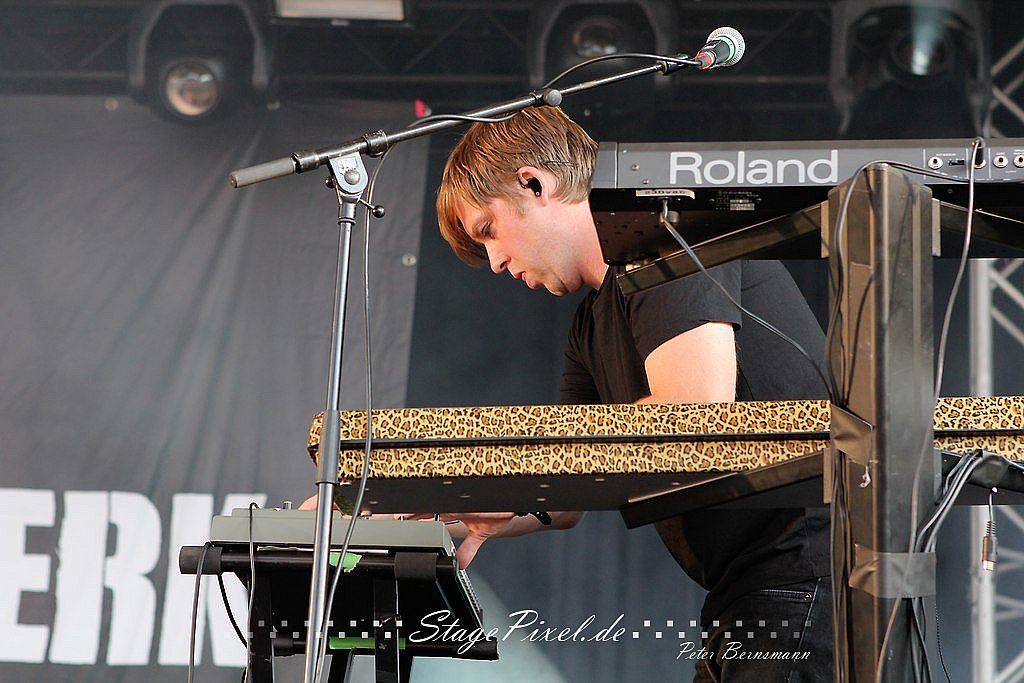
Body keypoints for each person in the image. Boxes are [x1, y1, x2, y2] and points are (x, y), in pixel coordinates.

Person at [429, 105, 834, 682]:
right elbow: (562, 497)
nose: (494, 262)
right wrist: (422, 509)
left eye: (487, 230)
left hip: (806, 574)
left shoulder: (668, 239)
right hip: (747, 589)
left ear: (535, 184)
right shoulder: (589, 325)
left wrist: (504, 478)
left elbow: (693, 414)